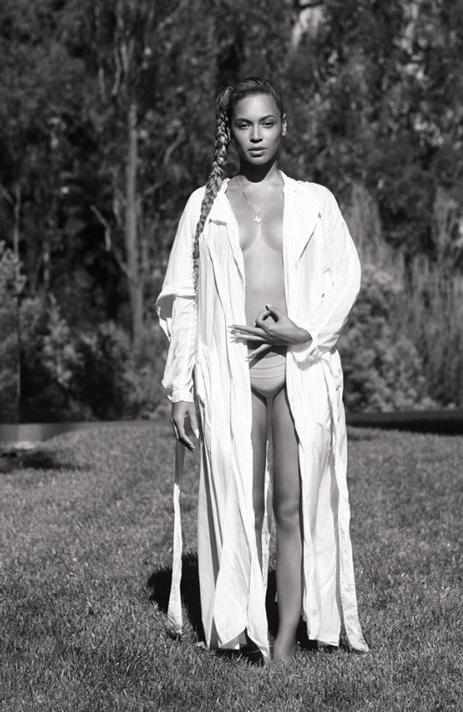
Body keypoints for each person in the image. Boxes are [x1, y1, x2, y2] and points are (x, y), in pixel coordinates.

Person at [156, 77, 368, 663]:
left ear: (284, 126)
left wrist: (305, 332)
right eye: (244, 124)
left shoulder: (315, 201)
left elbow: (345, 277)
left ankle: (285, 640)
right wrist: (180, 388)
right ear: (229, 131)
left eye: (267, 123)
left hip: (298, 370)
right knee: (240, 503)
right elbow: (184, 298)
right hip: (230, 375)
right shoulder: (203, 206)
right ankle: (243, 624)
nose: (256, 135)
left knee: (293, 509)